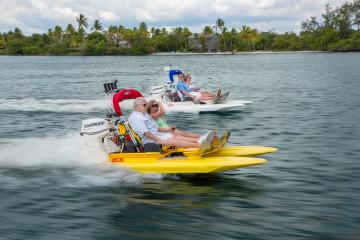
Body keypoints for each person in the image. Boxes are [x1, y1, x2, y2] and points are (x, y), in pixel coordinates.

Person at [128, 98, 214, 149]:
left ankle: (201, 140)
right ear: (136, 106)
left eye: (146, 104)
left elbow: (157, 128)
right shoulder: (136, 118)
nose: (146, 106)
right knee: (173, 140)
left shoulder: (144, 115)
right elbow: (146, 133)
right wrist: (160, 140)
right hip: (150, 140)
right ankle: (200, 145)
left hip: (158, 135)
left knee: (176, 135)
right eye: (144, 105)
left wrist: (168, 129)